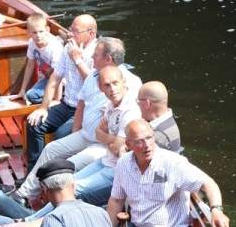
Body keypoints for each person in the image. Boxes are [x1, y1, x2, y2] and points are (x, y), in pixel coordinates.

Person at [10, 37, 140, 206]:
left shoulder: (131, 82)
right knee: (52, 148)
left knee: (71, 163)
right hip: (85, 135)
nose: (91, 58)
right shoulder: (94, 76)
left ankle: (48, 201)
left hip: (103, 147)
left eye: (95, 55)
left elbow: (125, 129)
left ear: (108, 59)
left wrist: (104, 137)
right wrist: (74, 132)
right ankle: (25, 194)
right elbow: (81, 105)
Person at [108, 119, 230, 227]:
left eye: (149, 138)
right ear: (128, 144)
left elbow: (208, 183)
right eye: (139, 142)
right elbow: (116, 201)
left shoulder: (173, 163)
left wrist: (216, 210)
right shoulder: (124, 164)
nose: (147, 145)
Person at [25, 14, 98, 169]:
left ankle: (55, 173)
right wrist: (43, 107)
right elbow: (54, 78)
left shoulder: (97, 54)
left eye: (75, 31)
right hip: (66, 104)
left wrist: (78, 59)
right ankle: (34, 170)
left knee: (60, 136)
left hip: (84, 110)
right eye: (71, 29)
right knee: (34, 124)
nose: (70, 34)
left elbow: (95, 84)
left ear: (90, 34)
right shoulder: (68, 48)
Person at [11, 13, 64, 105]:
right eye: (34, 32)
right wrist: (22, 90)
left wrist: (57, 100)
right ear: (28, 32)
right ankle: (51, 97)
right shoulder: (32, 42)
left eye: (41, 31)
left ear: (47, 30)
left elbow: (58, 74)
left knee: (32, 96)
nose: (38, 35)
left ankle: (61, 96)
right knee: (29, 95)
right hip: (48, 78)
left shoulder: (54, 47)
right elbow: (30, 65)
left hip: (62, 80)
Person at [136, 81, 183, 154]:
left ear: (147, 104)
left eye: (138, 102)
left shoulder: (157, 136)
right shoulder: (169, 122)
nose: (138, 105)